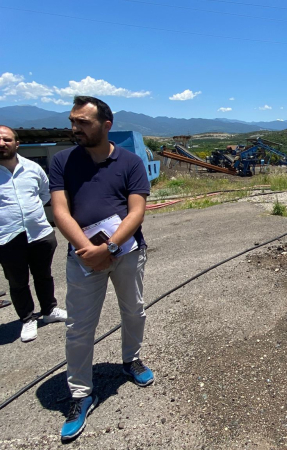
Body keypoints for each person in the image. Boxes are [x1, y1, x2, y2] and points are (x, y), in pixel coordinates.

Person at [49, 96, 154, 441]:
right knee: (79, 325)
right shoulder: (62, 161)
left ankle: (131, 360)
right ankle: (80, 393)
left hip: (126, 251)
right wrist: (88, 250)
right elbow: (60, 211)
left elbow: (136, 211)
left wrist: (107, 248)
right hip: (83, 256)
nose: (75, 128)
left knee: (134, 310)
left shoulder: (130, 162)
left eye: (83, 122)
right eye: (72, 121)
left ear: (106, 125)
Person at [0, 125, 67, 342]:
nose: (2, 144)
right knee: (18, 282)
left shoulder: (32, 168)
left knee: (44, 275)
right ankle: (28, 318)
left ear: (16, 143)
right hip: (7, 236)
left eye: (7, 139)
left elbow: (45, 192)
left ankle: (49, 310)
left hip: (39, 233)